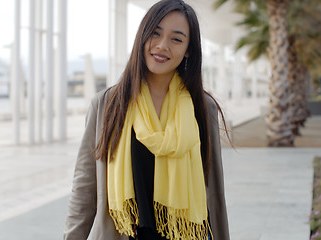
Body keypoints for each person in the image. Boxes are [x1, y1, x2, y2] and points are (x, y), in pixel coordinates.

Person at [64, 0, 230, 239]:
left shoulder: (202, 107)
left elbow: (213, 190)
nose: (162, 46)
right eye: (155, 33)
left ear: (188, 50)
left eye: (176, 39)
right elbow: (84, 187)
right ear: (142, 36)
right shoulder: (108, 103)